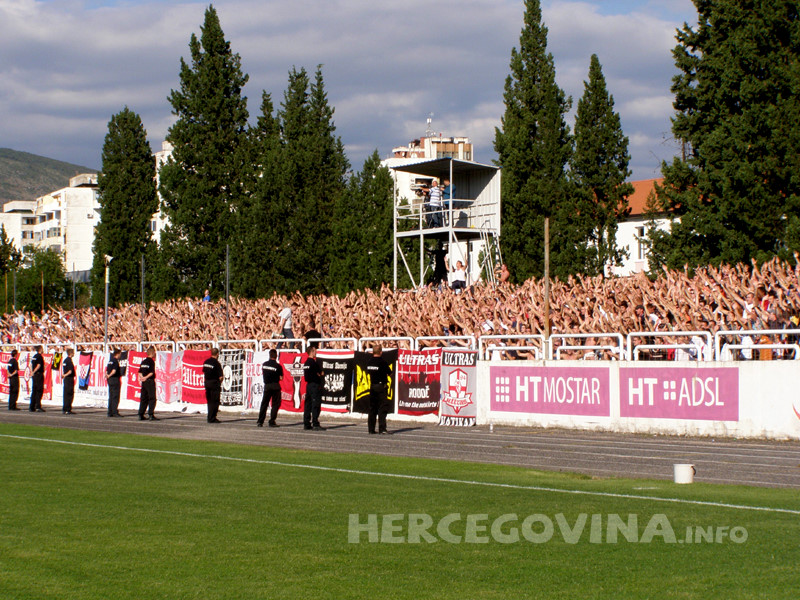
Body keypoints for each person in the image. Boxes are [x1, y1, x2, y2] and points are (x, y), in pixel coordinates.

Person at [366, 345, 392, 435]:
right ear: (381, 352)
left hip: (372, 386)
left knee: (372, 408)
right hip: (381, 386)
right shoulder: (382, 362)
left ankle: (371, 429)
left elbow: (368, 372)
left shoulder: (369, 362)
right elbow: (390, 373)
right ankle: (382, 428)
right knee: (382, 407)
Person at [258, 349, 283, 427]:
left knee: (264, 404)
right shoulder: (278, 366)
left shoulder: (264, 364)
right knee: (275, 404)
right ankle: (272, 421)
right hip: (275, 386)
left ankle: (260, 421)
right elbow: (281, 378)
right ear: (276, 356)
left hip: (267, 386)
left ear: (269, 355)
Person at [302, 346, 324, 431]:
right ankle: (315, 423)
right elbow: (320, 373)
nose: (316, 352)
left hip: (308, 386)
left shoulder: (306, 363)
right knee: (315, 405)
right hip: (315, 385)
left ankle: (306, 423)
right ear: (312, 351)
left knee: (308, 405)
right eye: (315, 351)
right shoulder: (313, 363)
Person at [203, 347, 224, 423]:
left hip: (207, 383)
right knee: (215, 401)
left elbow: (204, 371)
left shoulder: (206, 361)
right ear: (217, 354)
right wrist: (220, 381)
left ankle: (209, 417)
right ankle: (213, 417)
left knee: (209, 401)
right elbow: (221, 377)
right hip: (214, 383)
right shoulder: (217, 363)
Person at [138, 346, 158, 421]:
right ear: (152, 353)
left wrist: (142, 378)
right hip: (149, 381)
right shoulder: (151, 362)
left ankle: (141, 414)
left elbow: (139, 371)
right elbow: (152, 372)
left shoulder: (143, 361)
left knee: (143, 398)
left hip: (144, 382)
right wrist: (146, 377)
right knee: (152, 398)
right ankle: (151, 414)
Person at [106, 348, 122, 417]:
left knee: (111, 396)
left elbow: (107, 370)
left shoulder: (110, 361)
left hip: (110, 380)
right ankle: (115, 411)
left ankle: (110, 411)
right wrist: (109, 375)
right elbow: (114, 371)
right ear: (117, 354)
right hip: (114, 379)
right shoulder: (115, 361)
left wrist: (107, 375)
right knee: (115, 396)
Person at [29, 345, 45, 412]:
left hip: (34, 375)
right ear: (40, 349)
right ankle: (38, 406)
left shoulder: (34, 356)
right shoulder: (39, 357)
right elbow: (38, 365)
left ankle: (32, 406)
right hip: (38, 374)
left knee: (34, 390)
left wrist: (32, 372)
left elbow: (30, 365)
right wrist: (34, 371)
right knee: (39, 390)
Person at [62, 348, 75, 414]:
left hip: (66, 379)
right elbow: (70, 371)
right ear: (71, 353)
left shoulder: (65, 360)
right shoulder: (69, 361)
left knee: (65, 394)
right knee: (70, 394)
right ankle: (68, 409)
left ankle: (65, 408)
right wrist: (65, 375)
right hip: (69, 378)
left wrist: (64, 375)